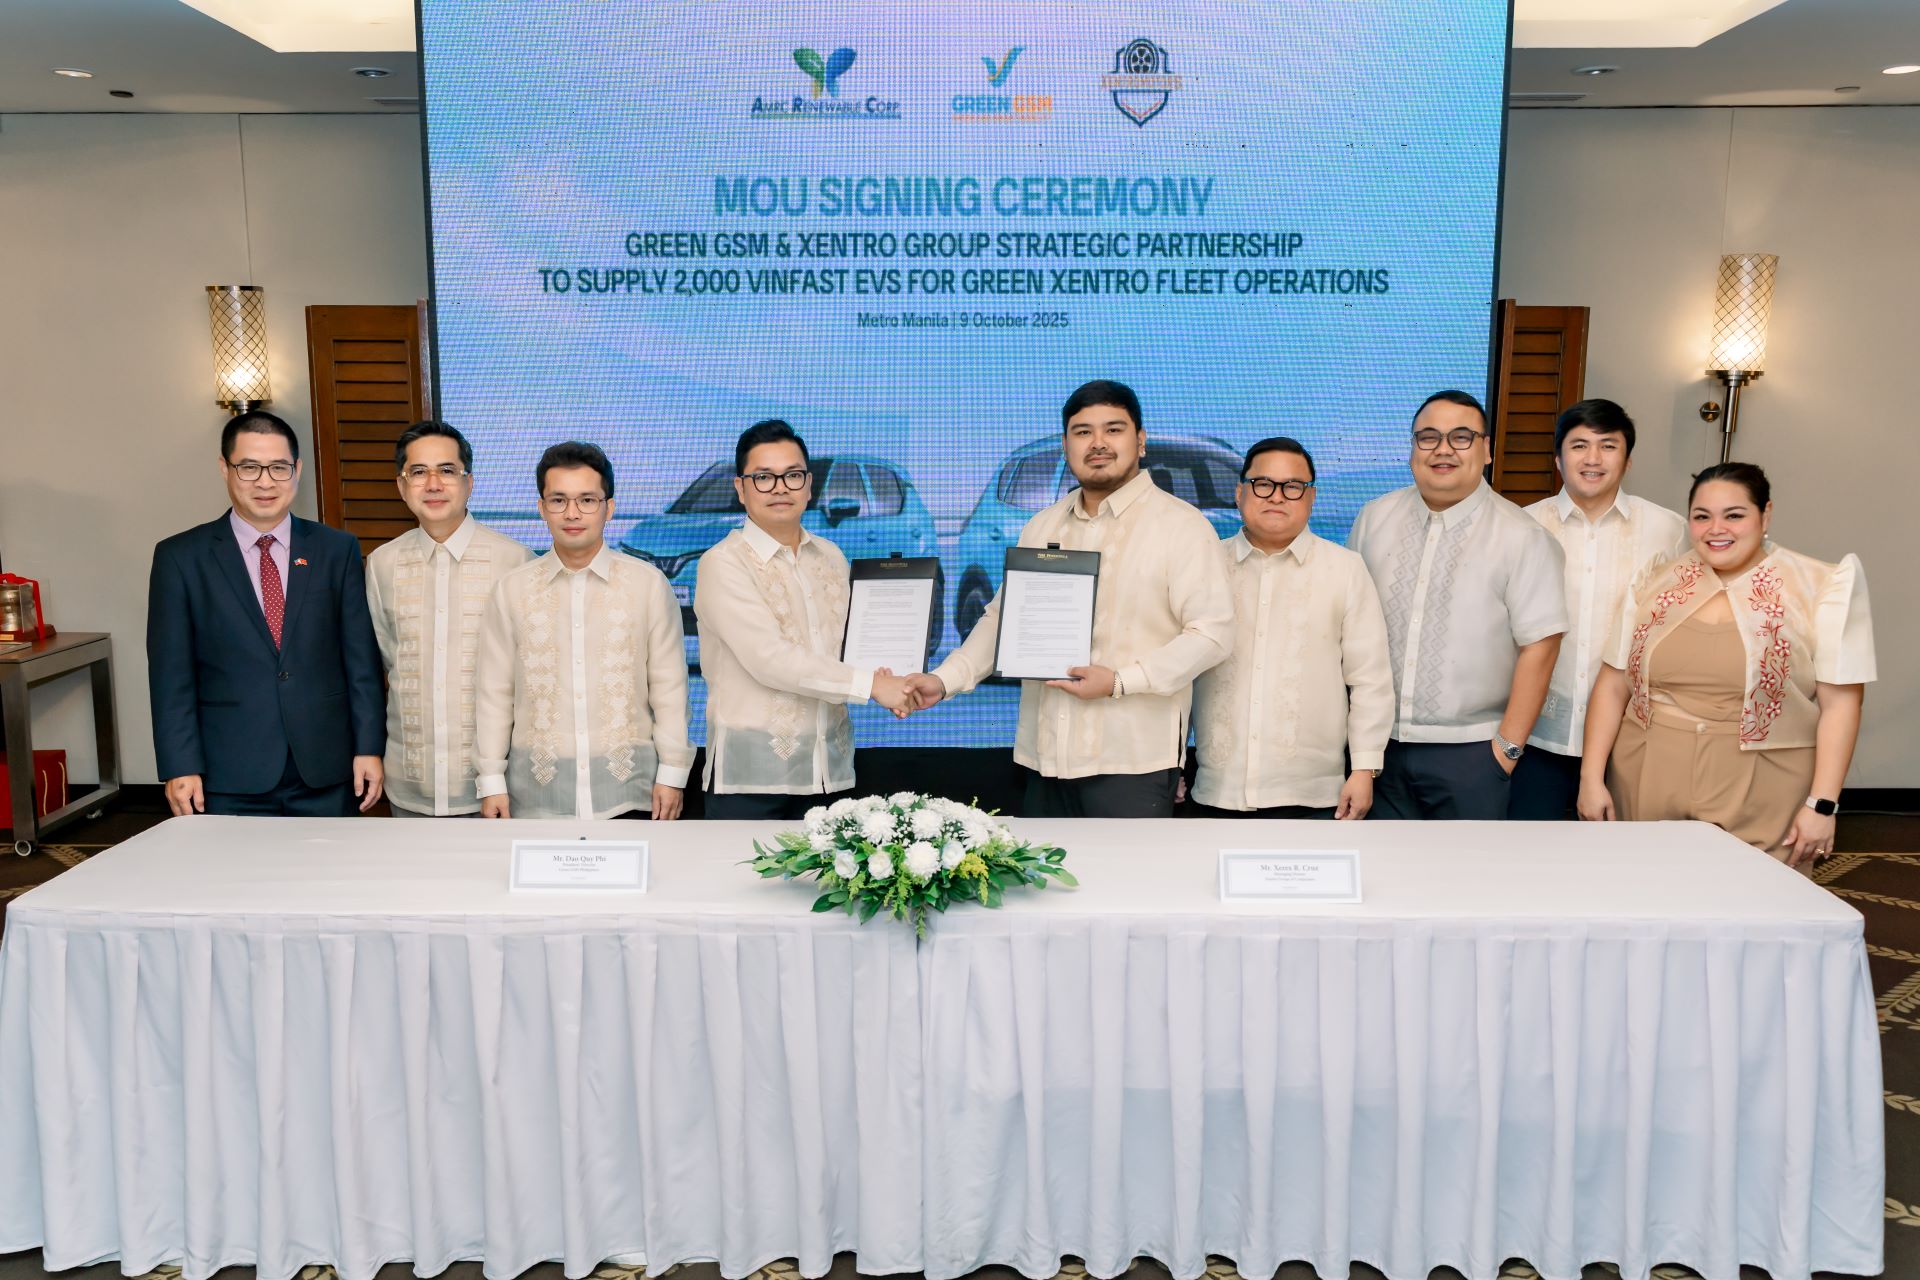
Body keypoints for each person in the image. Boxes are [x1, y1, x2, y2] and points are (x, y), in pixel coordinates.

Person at [905, 380, 1233, 818]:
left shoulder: (1182, 528)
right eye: (1083, 432)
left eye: (1113, 429)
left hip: (1132, 763)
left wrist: (1120, 681)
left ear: (1140, 441)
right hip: (1045, 755)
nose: (1098, 443)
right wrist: (944, 680)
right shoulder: (1041, 526)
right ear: (1066, 445)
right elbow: (1001, 620)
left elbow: (1212, 635)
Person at [1578, 462, 1874, 868]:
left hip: (1766, 784)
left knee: (1758, 897)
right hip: (1648, 772)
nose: (1716, 529)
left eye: (1734, 515)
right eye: (1702, 517)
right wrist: (1591, 778)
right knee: (1648, 888)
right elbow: (1613, 686)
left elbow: (1842, 706)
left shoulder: (1820, 585)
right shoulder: (1655, 580)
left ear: (1765, 515)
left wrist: (1822, 805)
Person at [147, 410, 385, 816]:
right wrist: (180, 764)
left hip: (326, 765)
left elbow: (360, 660)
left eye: (278, 467)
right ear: (224, 468)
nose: (265, 481)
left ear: (297, 470)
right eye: (249, 467)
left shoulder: (336, 549)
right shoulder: (180, 557)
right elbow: (171, 675)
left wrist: (368, 747)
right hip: (227, 770)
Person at [1347, 390, 1567, 820]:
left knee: (1467, 865)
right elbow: (1349, 627)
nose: (1443, 449)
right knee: (1377, 862)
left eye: (1461, 437)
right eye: (1428, 437)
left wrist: (1504, 752)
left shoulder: (1523, 537)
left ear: (1487, 450)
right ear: (1412, 447)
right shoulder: (1373, 519)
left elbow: (1541, 647)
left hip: (1472, 754)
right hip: (1375, 750)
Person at [694, 420, 917, 820]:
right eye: (764, 477)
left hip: (830, 771)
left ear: (809, 485)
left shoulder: (831, 557)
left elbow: (850, 647)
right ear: (741, 489)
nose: (780, 488)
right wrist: (874, 686)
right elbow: (769, 658)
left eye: (792, 475)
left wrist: (893, 677)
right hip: (752, 781)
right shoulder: (722, 563)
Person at [474, 441, 692, 819]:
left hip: (630, 792)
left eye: (587, 500)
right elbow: (494, 692)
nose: (572, 513)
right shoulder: (512, 589)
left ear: (609, 508)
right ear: (541, 507)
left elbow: (669, 688)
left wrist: (673, 774)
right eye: (558, 500)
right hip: (536, 796)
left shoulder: (648, 585)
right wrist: (491, 780)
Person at [1191, 437, 1393, 819]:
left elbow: (1370, 680)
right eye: (1262, 484)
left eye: (1293, 486)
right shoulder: (1206, 565)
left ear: (1311, 497)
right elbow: (1178, 672)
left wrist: (1364, 769)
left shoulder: (1345, 570)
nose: (1277, 496)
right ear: (1239, 492)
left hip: (1315, 795)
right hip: (1216, 789)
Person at [1513, 399, 1685, 819]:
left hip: (1631, 737)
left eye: (1608, 446)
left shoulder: (1668, 530)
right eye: (1579, 446)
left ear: (1628, 461)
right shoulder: (1521, 526)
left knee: (1622, 855)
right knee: (1528, 851)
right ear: (1558, 459)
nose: (1593, 458)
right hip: (1535, 735)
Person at [366, 421, 532, 817]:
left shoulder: (516, 562)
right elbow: (388, 661)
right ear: (401, 486)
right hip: (409, 787)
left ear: (468, 483)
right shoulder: (381, 565)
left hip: (498, 792)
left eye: (447, 470)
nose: (433, 484)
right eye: (418, 472)